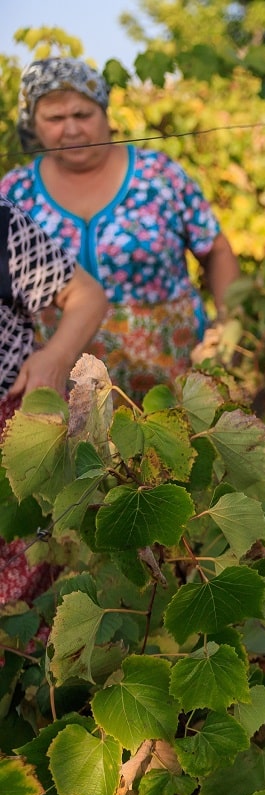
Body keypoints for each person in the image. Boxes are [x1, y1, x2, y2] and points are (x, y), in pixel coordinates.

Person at [0, 57, 239, 401]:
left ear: (104, 114)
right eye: (55, 118)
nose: (71, 129)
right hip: (63, 390)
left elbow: (214, 249)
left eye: (82, 115)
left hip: (173, 380)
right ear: (33, 125)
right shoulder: (15, 192)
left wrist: (227, 329)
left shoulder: (158, 175)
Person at [0, 197, 108, 604]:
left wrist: (56, 359)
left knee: (21, 605)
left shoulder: (2, 220)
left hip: (14, 426)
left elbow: (86, 295)